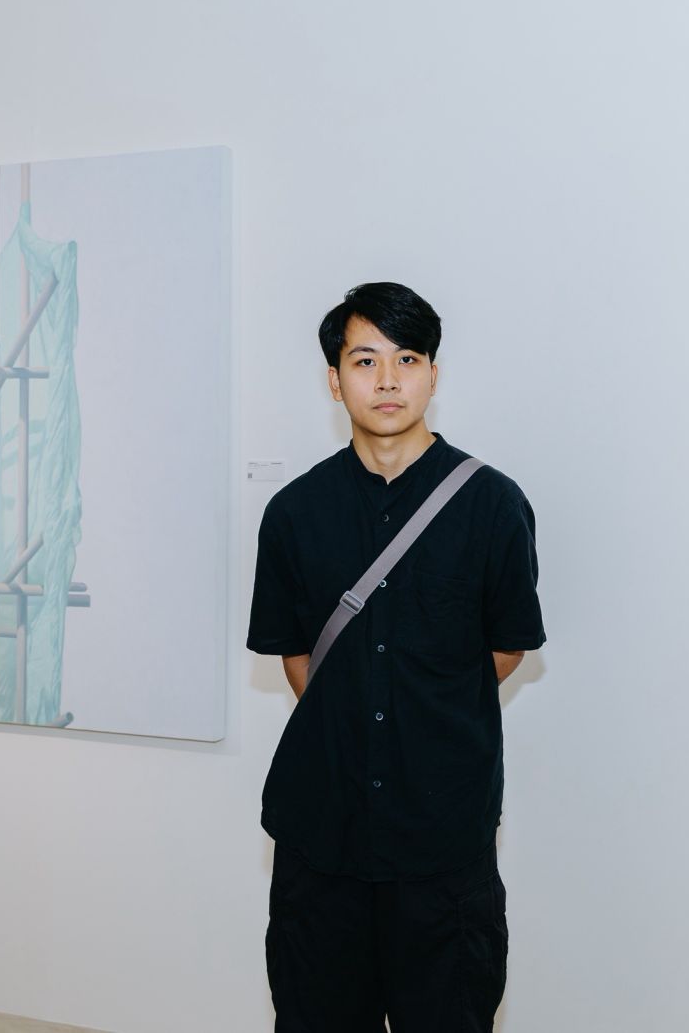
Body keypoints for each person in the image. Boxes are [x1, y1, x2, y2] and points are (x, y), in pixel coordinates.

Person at [247, 281, 547, 1032]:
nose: (387, 380)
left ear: (433, 374)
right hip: (322, 838)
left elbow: (506, 647)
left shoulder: (493, 505)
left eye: (407, 359)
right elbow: (296, 658)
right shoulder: (293, 513)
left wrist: (426, 710)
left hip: (443, 845)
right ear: (334, 379)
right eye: (365, 360)